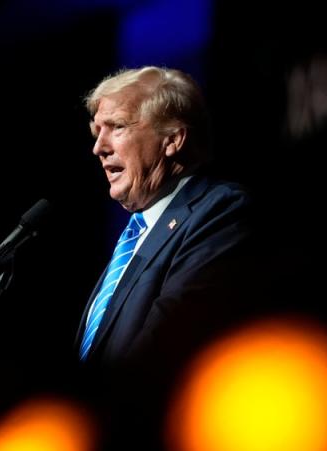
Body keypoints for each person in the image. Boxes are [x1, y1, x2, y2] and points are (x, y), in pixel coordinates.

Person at [75, 67, 257, 374]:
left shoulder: (219, 210)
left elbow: (171, 332)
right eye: (97, 133)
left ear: (172, 140)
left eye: (117, 127)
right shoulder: (134, 237)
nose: (99, 148)